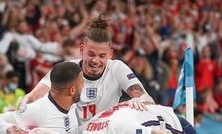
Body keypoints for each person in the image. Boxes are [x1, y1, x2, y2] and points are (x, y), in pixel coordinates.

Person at [22, 15, 154, 127]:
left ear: (110, 54)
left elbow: (147, 99)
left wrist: (137, 102)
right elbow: (33, 96)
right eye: (91, 54)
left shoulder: (117, 68)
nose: (95, 60)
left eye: (102, 56)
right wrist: (21, 111)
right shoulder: (68, 68)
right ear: (81, 50)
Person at [0, 61, 83, 134]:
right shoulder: (38, 110)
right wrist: (11, 130)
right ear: (72, 90)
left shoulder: (73, 107)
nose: (83, 86)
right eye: (82, 83)